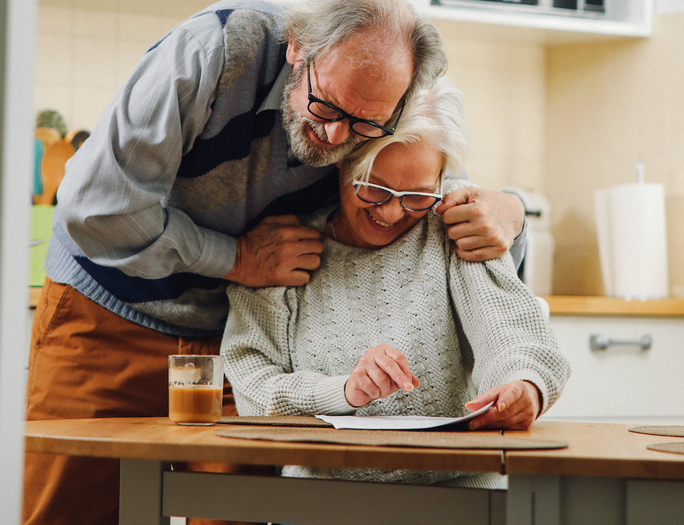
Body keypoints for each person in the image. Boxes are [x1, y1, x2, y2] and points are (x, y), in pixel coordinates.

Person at [23, 0, 527, 525]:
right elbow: (96, 207)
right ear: (296, 48)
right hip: (109, 317)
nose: (337, 139)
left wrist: (513, 210)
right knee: (63, 512)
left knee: (234, 516)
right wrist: (235, 257)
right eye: (326, 108)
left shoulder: (381, 97)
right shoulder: (213, 50)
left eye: (366, 125)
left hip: (237, 342)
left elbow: (426, 186)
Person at [221, 79, 571, 490]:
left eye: (417, 196)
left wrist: (525, 387)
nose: (390, 212)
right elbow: (252, 388)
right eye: (373, 187)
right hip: (321, 505)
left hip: (459, 501)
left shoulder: (453, 224)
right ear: (341, 160)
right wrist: (344, 392)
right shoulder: (282, 252)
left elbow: (516, 336)